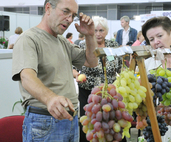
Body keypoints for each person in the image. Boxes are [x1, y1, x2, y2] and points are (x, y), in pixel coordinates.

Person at [11, 0, 98, 141]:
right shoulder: (29, 39)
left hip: (70, 119)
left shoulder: (62, 41)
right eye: (65, 11)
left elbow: (92, 61)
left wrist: (89, 35)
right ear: (48, 8)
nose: (69, 19)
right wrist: (50, 98)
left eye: (73, 15)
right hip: (44, 120)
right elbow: (26, 76)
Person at [72, 16, 123, 142]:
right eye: (95, 30)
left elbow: (120, 67)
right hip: (89, 93)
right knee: (90, 123)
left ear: (106, 31)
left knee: (110, 123)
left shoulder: (113, 45)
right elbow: (72, 68)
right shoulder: (83, 46)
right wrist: (77, 75)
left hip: (109, 93)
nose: (98, 34)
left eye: (101, 30)